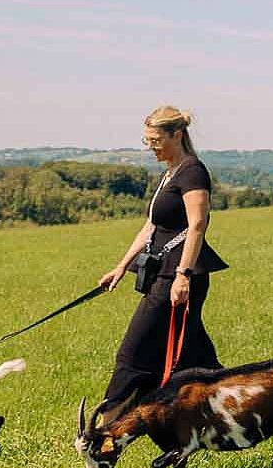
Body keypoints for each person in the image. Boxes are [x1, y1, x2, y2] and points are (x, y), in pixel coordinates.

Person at [96, 105, 227, 411]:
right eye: (147, 141)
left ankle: (105, 428)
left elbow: (197, 224)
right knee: (196, 357)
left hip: (178, 276)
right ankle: (244, 400)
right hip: (164, 272)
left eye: (155, 140)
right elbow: (152, 225)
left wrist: (183, 275)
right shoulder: (171, 173)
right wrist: (121, 266)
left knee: (132, 354)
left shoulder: (193, 171)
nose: (151, 147)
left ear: (177, 135)